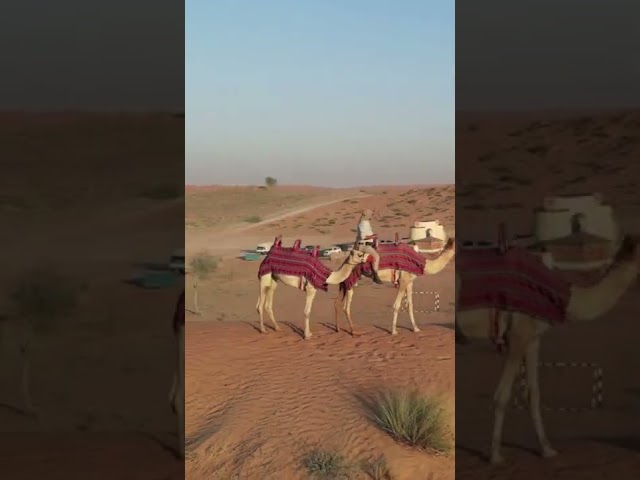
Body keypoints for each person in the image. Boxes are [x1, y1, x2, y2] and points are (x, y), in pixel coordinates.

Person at [355, 209, 383, 284]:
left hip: (368, 244)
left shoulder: (366, 222)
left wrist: (373, 236)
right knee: (377, 257)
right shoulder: (363, 223)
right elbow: (363, 237)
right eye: (370, 215)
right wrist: (373, 236)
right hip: (364, 246)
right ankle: (375, 275)